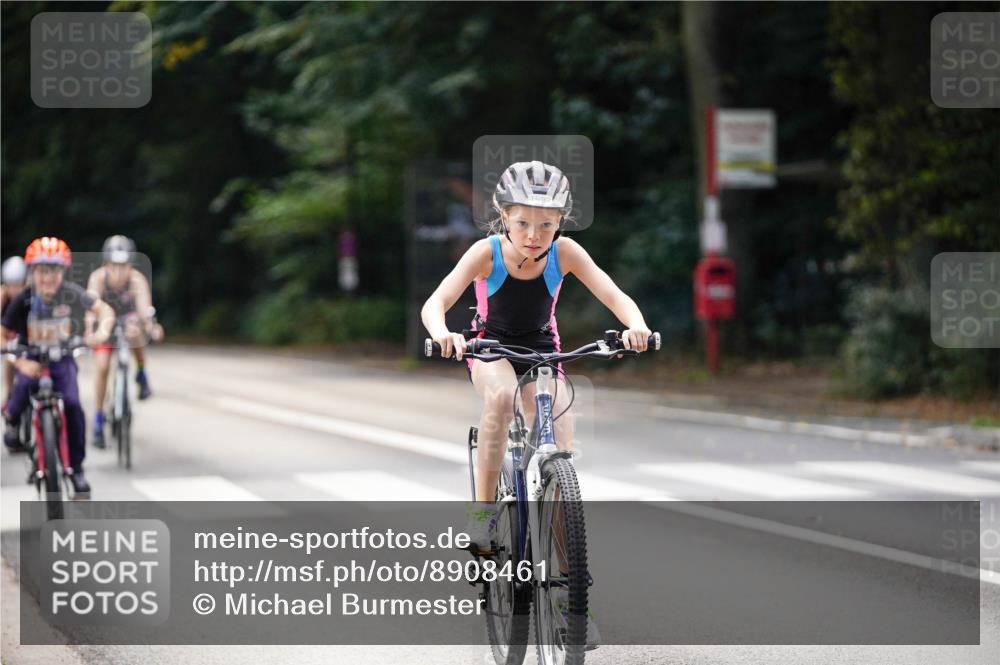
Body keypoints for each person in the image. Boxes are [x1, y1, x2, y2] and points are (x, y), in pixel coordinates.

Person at [421, 160, 652, 648]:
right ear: (504, 216)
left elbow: (616, 296)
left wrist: (635, 326)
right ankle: (483, 514)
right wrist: (444, 335)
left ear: (560, 223)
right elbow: (436, 302)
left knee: (561, 459)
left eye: (546, 224)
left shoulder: (565, 252)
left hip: (545, 351)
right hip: (491, 349)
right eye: (523, 222)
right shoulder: (485, 254)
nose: (534, 234)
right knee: (502, 398)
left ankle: (574, 603)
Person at [1, 237, 114, 496]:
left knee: (74, 406)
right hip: (30, 357)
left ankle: (75, 470)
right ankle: (13, 424)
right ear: (33, 273)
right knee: (19, 394)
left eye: (54, 271)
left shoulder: (71, 293)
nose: (48, 278)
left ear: (62, 272)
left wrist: (100, 332)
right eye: (42, 271)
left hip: (62, 358)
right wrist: (19, 360)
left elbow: (104, 310)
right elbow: (3, 332)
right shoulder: (23, 299)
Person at [87, 235, 163, 449]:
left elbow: (145, 309)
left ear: (130, 265)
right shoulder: (98, 278)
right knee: (102, 367)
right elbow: (91, 310)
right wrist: (90, 332)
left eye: (123, 265)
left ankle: (141, 372)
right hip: (105, 326)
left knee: (135, 333)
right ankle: (99, 420)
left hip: (128, 323)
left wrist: (152, 327)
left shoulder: (137, 280)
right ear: (106, 263)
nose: (118, 271)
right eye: (113, 265)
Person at [1, 256, 28, 406]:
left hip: (25, 335)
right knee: (9, 359)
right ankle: (10, 393)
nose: (15, 289)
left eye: (18, 285)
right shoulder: (3, 297)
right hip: (8, 335)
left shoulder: (28, 295)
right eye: (11, 285)